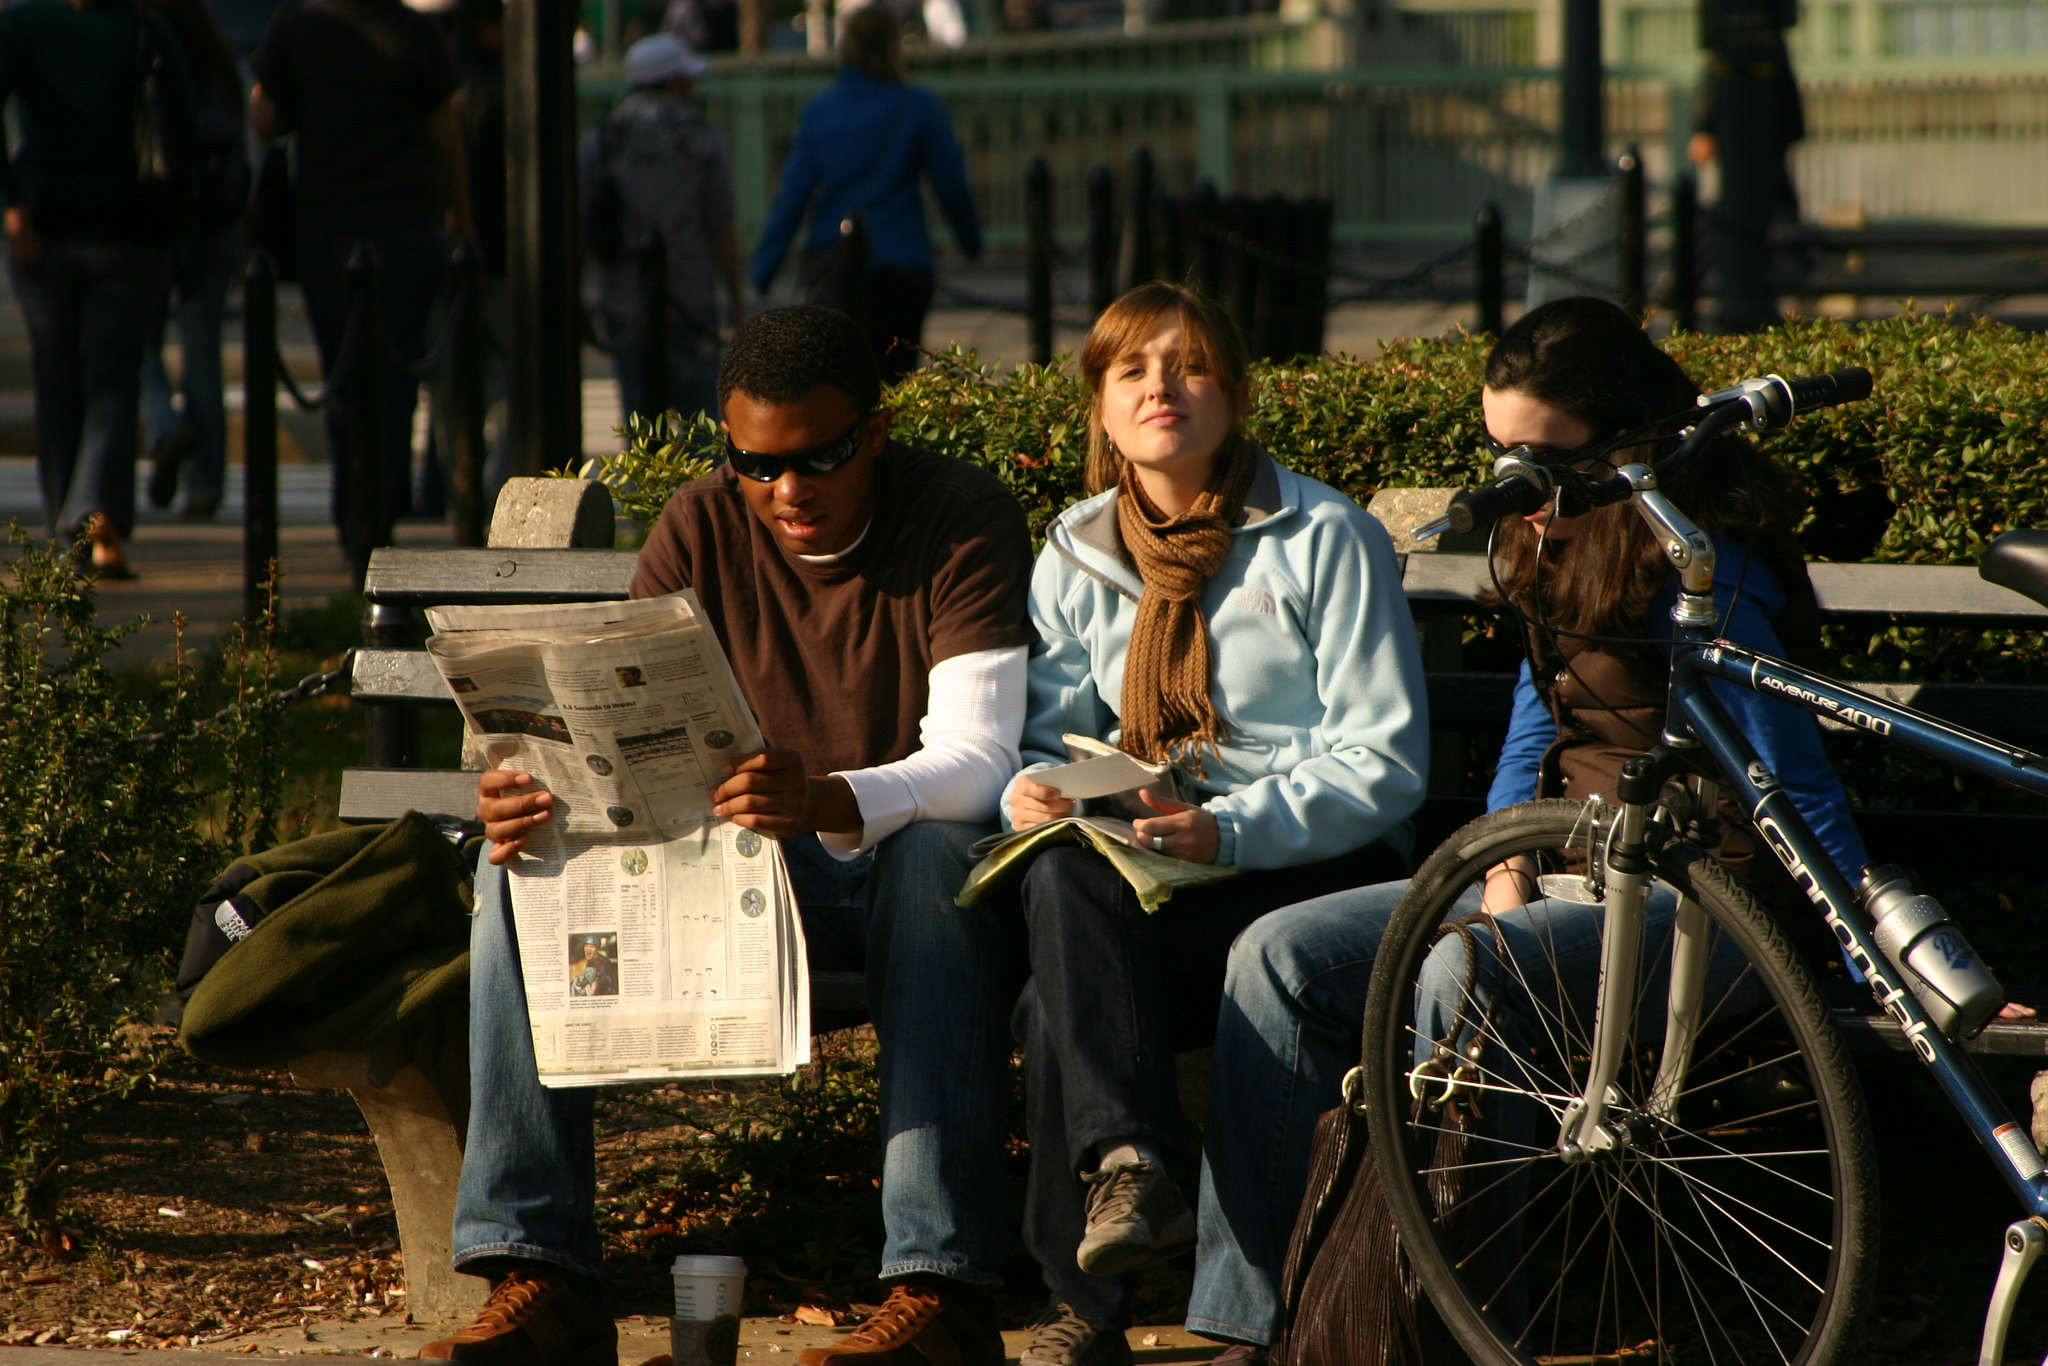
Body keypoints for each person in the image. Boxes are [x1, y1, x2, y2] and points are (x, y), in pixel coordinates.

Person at [1179, 296, 1876, 1363]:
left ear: (1625, 441)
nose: (1516, 481)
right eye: (1497, 450)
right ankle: (1254, 1321)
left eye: (1538, 457)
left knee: (1468, 972)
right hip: (1551, 875)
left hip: (1695, 904)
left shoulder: (1700, 566)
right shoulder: (1547, 534)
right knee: (1275, 957)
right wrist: (1501, 857)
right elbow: (1528, 727)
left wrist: (1872, 958)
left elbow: (1795, 784)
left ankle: (1451, 1320)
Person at [431, 307, 1037, 1366]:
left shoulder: (958, 516)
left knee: (939, 859)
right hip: (728, 874)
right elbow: (616, 742)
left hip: (887, 868)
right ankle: (538, 1271)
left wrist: (827, 798)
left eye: (820, 457)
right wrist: (529, 794)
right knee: (516, 874)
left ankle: (940, 1291)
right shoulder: (702, 524)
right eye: (755, 463)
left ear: (877, 432)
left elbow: (980, 762)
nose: (786, 491)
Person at [998, 282, 1430, 1366]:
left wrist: (1227, 828)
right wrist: (1039, 788)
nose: (1160, 388)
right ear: (1097, 404)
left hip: (1306, 863)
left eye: (1188, 366)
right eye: (1132, 369)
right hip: (1155, 863)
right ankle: (1133, 1164)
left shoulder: (1323, 536)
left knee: (1061, 1000)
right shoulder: (1076, 551)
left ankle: (1089, 1294)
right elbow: (1051, 733)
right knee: (1059, 890)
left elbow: (1385, 760)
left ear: (1233, 394)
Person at [250, 0, 471, 559]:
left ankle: (357, 515)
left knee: (344, 380)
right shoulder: (413, 31)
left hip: (328, 228)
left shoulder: (296, 28)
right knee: (394, 385)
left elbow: (264, 119)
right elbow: (446, 135)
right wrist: (461, 217)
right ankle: (380, 510)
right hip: (406, 227)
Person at [0, 0, 197, 578]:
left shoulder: (23, 25)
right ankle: (96, 514)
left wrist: (13, 200)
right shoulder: (142, 28)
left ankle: (70, 526)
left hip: (44, 226)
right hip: (127, 228)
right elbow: (181, 127)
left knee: (55, 380)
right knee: (112, 380)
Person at [749, 7, 980, 386]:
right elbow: (950, 184)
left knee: (837, 380)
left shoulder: (820, 111)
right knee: (895, 379)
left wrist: (764, 266)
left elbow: (793, 195)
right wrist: (970, 242)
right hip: (901, 263)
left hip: (833, 263)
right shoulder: (917, 106)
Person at [582, 32, 747, 425]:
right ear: (676, 83)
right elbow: (721, 225)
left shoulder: (603, 138)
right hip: (689, 295)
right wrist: (737, 299)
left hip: (623, 298)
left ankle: (642, 487)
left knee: (638, 421)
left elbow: (583, 222)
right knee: (700, 422)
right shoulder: (701, 137)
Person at [140, 0, 248, 522]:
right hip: (217, 223)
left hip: (160, 217)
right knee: (202, 348)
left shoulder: (148, 46)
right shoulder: (218, 56)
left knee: (138, 339)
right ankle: (206, 483)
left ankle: (163, 424)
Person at [1688, 0, 1804, 333]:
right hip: (1747, 149)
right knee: (1736, 216)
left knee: (1757, 214)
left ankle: (1758, 287)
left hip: (1755, 149)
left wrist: (1705, 126)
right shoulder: (1748, 47)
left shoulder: (1757, 47)